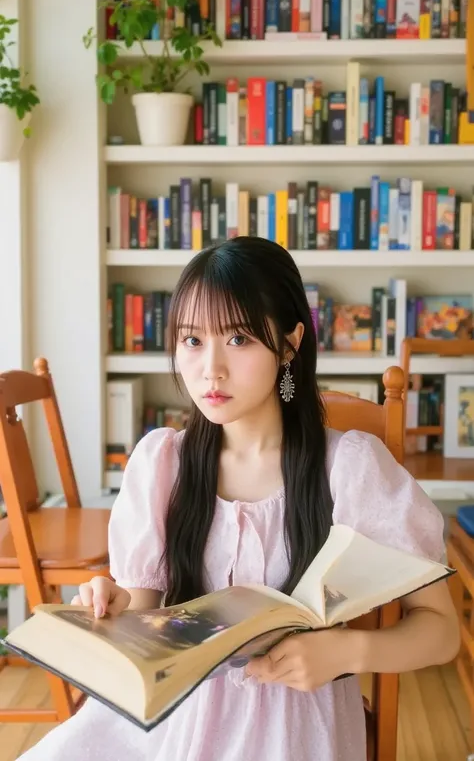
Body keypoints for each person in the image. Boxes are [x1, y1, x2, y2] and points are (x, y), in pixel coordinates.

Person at [20, 236, 459, 761]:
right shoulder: (163, 464)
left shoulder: (350, 469)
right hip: (171, 715)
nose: (211, 369)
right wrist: (113, 607)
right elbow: (144, 618)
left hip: (291, 725)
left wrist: (348, 649)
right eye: (192, 340)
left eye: (239, 339)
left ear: (290, 343)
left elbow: (441, 632)